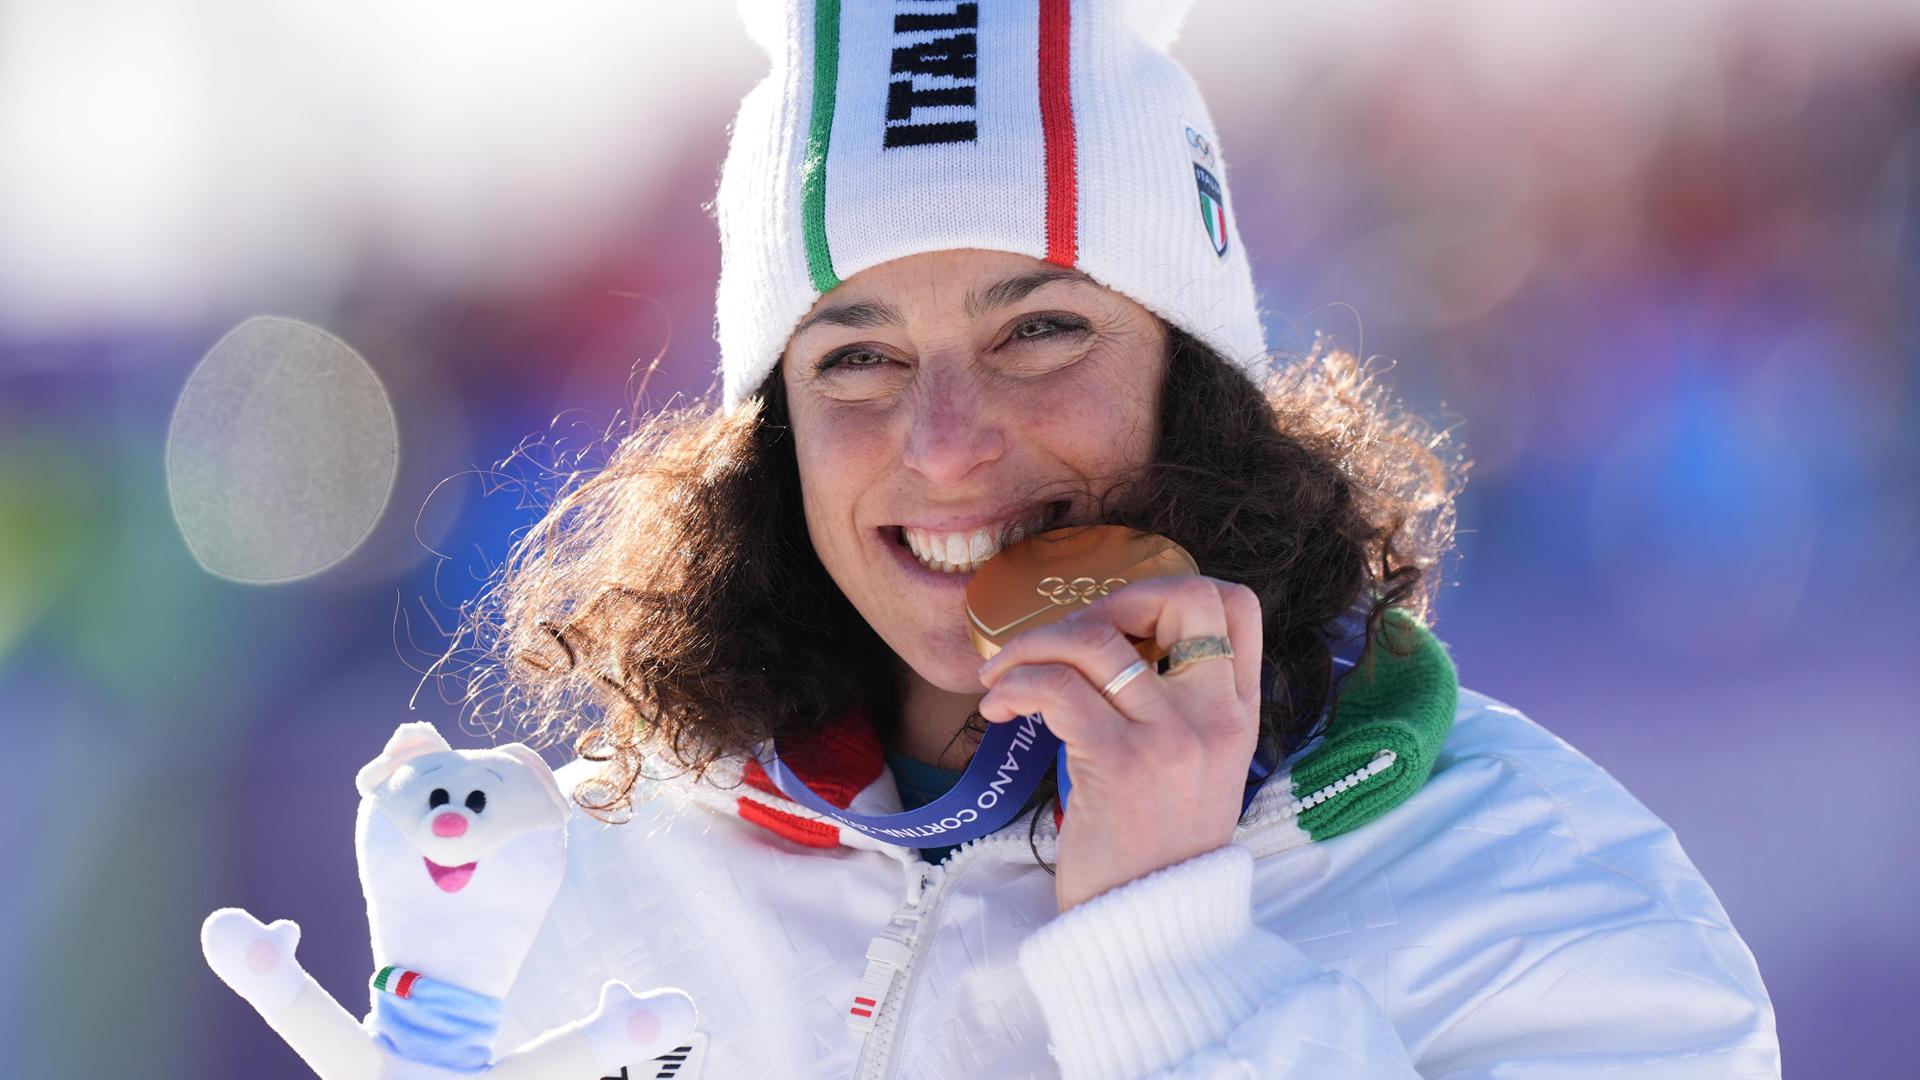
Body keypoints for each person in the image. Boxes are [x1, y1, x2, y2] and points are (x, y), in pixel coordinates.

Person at [471, 2, 1781, 1076]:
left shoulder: (1535, 892)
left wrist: (1167, 965)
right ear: (774, 441)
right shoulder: (570, 880)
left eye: (1039, 331)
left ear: (1192, 380)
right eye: (855, 357)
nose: (944, 443)